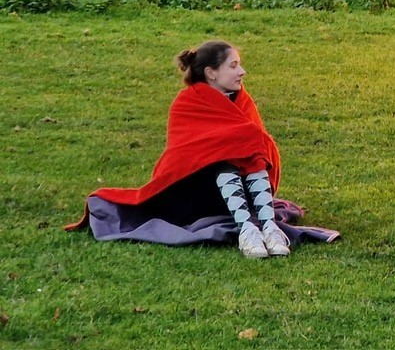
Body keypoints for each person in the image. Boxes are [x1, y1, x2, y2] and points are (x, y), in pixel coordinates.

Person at [67, 40, 337, 256]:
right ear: (211, 73)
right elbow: (182, 156)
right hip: (192, 193)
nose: (242, 72)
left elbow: (261, 145)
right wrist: (233, 142)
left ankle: (267, 226)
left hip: (240, 189)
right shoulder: (188, 103)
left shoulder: (242, 101)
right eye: (234, 66)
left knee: (247, 145)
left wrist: (241, 140)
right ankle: (246, 229)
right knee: (226, 154)